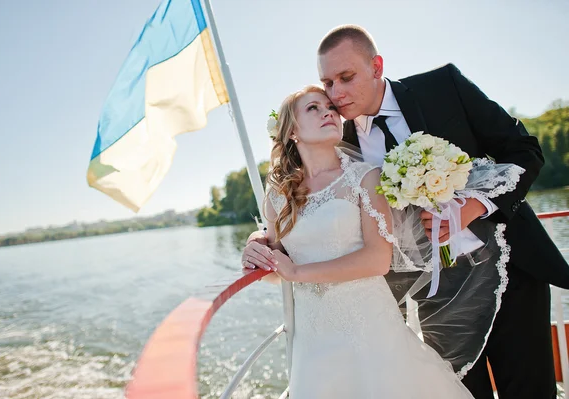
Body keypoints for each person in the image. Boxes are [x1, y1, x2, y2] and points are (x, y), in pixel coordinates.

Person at [243, 25, 569, 399]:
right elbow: (309, 213)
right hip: (436, 292)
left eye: (346, 77)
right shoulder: (339, 144)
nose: (336, 94)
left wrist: (473, 206)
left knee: (531, 389)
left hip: (508, 269)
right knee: (462, 391)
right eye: (327, 83)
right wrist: (260, 239)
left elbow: (524, 150)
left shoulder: (442, 88)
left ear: (376, 66)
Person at [256, 84, 474, 398]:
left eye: (329, 107)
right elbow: (277, 258)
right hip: (313, 338)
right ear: (292, 131)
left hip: (369, 326)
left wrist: (298, 274)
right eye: (313, 108)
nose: (328, 112)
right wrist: (255, 245)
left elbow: (377, 259)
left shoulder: (365, 177)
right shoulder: (278, 193)